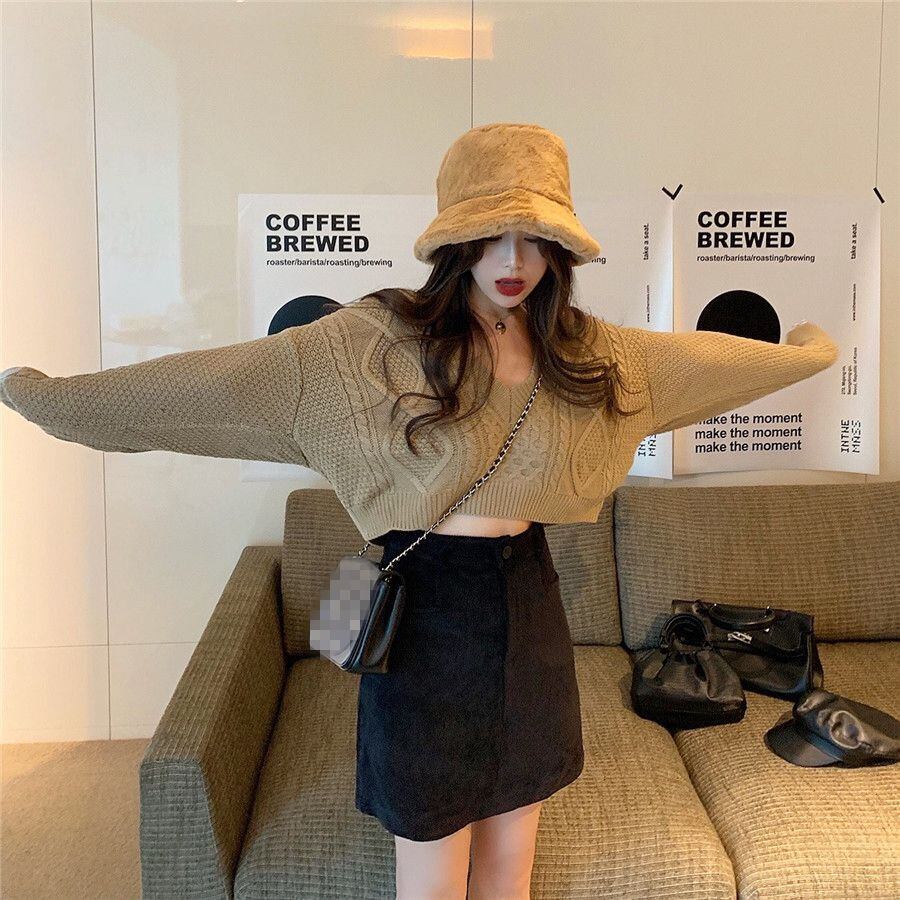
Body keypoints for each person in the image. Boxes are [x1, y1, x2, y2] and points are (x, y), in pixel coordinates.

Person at [0, 122, 839, 900]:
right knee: (431, 862)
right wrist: (55, 401)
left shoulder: (588, 352)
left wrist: (807, 354)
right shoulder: (369, 345)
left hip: (529, 602)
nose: (514, 259)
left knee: (511, 853)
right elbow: (212, 388)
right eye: (492, 235)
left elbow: (710, 364)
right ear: (454, 241)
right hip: (425, 614)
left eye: (535, 238)